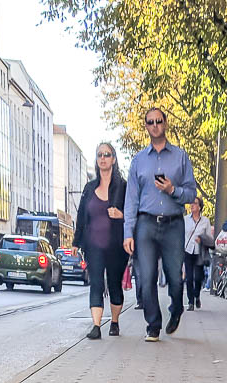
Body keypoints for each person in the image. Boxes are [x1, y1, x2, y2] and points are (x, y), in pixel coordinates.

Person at [124, 107, 197, 342]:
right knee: (146, 277)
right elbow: (131, 199)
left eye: (158, 121)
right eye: (150, 122)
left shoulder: (180, 157)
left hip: (173, 224)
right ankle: (153, 325)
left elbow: (191, 194)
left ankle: (176, 309)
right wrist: (128, 231)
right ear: (145, 126)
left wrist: (171, 189)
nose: (154, 125)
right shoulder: (138, 161)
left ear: (165, 123)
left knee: (175, 277)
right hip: (145, 223)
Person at [74, 142, 127, 340]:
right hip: (93, 245)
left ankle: (114, 321)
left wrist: (121, 214)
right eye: (99, 155)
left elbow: (133, 213)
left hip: (116, 246)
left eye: (107, 154)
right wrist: (76, 242)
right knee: (95, 282)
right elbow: (81, 217)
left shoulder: (123, 187)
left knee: (114, 284)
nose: (103, 158)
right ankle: (96, 326)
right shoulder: (89, 188)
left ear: (113, 159)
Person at [183, 198, 215, 310]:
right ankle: (190, 302)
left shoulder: (205, 221)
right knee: (189, 277)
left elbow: (210, 239)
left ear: (200, 207)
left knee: (198, 277)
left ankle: (197, 296)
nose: (192, 205)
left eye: (195, 203)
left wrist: (202, 239)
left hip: (199, 252)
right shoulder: (185, 219)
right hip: (187, 251)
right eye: (191, 203)